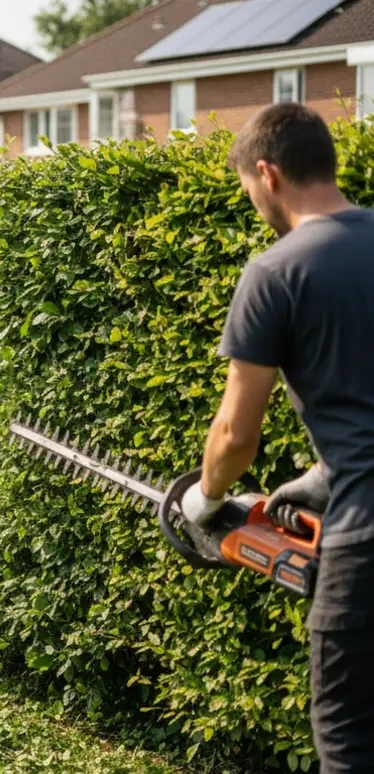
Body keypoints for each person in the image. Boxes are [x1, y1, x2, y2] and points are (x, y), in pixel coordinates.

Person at [179, 102, 374, 771]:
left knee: (349, 741)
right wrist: (323, 477)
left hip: (367, 539)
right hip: (350, 497)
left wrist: (203, 500)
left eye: (247, 188)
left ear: (267, 174)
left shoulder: (275, 272)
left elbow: (237, 436)